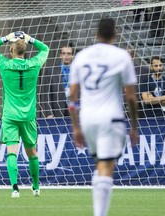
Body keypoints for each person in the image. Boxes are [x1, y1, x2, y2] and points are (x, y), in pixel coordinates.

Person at [68, 18, 138, 216]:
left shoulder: (81, 56)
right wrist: (134, 126)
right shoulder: (122, 56)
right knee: (107, 166)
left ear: (96, 33)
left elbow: (72, 96)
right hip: (111, 117)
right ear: (115, 34)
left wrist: (76, 126)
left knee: (100, 164)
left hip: (88, 118)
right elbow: (131, 97)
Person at [0, 32, 49, 198]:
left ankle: (15, 188)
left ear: (12, 48)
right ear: (25, 50)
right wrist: (30, 39)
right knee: (32, 153)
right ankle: (35, 187)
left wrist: (7, 37)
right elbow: (45, 48)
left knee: (11, 152)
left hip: (10, 116)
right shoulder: (34, 64)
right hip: (28, 116)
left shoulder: (4, 65)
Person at [40, 45, 74, 118]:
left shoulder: (77, 71)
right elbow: (46, 94)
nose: (66, 56)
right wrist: (48, 113)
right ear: (60, 55)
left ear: (72, 55)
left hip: (74, 110)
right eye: (64, 53)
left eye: (69, 53)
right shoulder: (51, 71)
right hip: (57, 111)